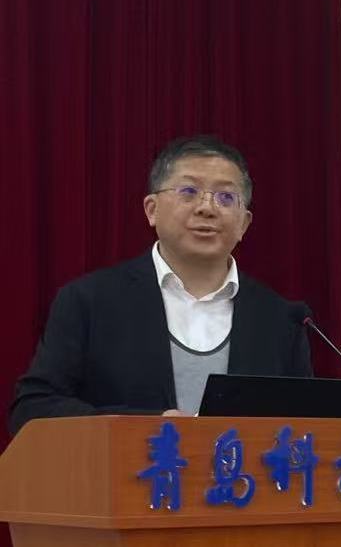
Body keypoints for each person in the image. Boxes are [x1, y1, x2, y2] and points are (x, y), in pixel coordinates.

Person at [9, 135, 312, 435]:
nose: (207, 208)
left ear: (244, 223)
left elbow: (308, 426)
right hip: (119, 468)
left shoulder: (281, 318)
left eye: (226, 197)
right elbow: (34, 409)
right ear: (151, 209)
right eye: (189, 191)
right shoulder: (89, 300)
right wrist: (148, 426)